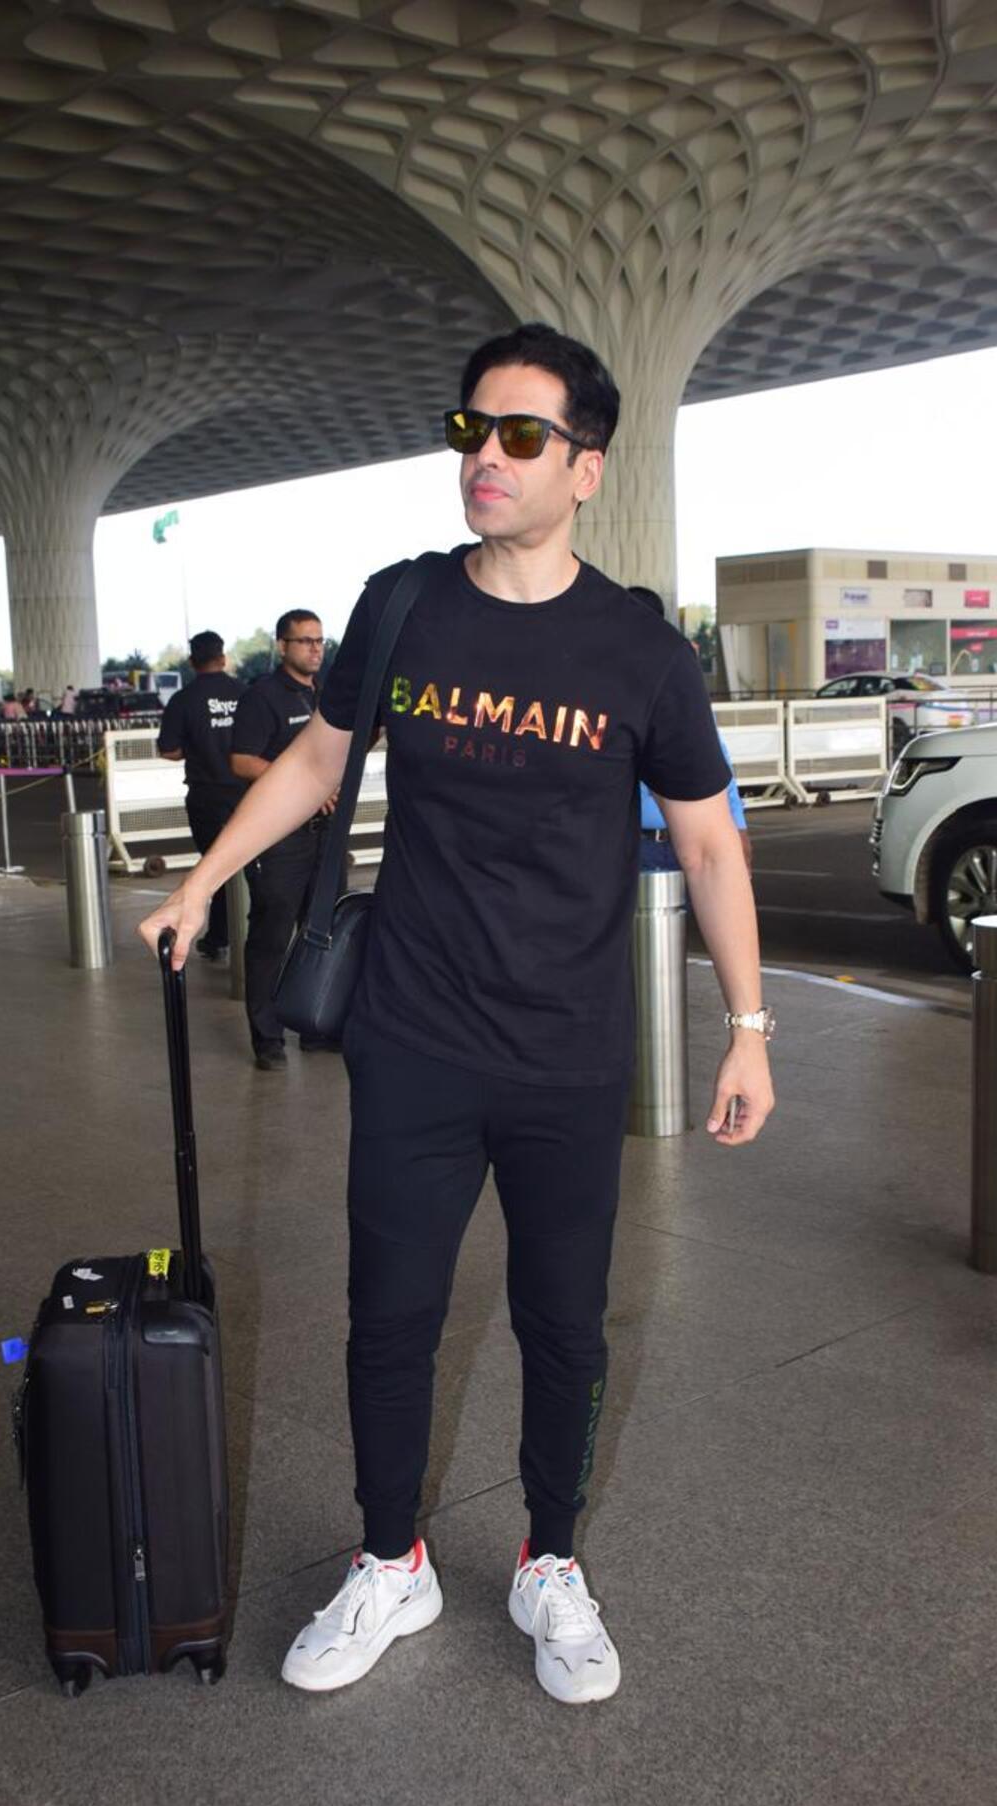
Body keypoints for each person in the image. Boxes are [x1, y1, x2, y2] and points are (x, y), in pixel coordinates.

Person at [139, 323, 774, 1706]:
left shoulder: (638, 650)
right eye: (470, 430)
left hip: (566, 1048)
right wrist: (202, 882)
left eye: (521, 437)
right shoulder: (406, 604)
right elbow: (316, 758)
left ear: (585, 467)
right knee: (391, 1316)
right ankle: (390, 1558)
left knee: (565, 1322)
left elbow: (713, 843)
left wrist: (748, 1025)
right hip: (414, 1030)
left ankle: (551, 1560)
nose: (485, 457)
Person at [229, 609, 336, 1066]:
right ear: (282, 646)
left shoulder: (328, 694)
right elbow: (242, 761)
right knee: (272, 936)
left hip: (326, 834)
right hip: (281, 837)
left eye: (319, 641)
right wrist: (301, 789)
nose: (314, 649)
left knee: (321, 931)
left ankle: (314, 1025)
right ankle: (267, 1039)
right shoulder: (264, 697)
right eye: (304, 641)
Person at [627, 586, 751, 871]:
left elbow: (715, 759)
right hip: (632, 846)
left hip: (681, 844)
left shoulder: (675, 679)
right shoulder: (611, 685)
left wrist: (738, 825)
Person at [157, 632, 244, 960]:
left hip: (206, 795)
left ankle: (220, 935)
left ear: (192, 662)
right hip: (248, 795)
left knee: (216, 865)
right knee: (251, 865)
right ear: (223, 658)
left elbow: (169, 749)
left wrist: (196, 748)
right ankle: (244, 930)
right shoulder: (245, 693)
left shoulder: (183, 700)